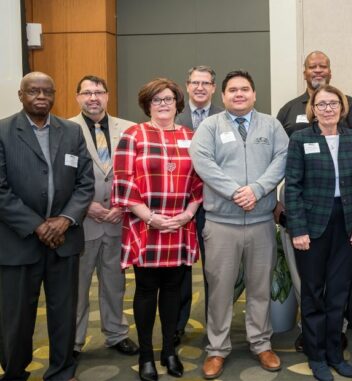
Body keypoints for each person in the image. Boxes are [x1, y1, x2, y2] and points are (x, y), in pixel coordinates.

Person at [189, 70, 288, 379]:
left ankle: (261, 343)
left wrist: (256, 190)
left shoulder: (271, 125)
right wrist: (235, 192)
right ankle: (217, 349)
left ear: (255, 94)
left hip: (260, 223)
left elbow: (282, 159)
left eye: (245, 89)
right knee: (219, 289)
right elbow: (202, 162)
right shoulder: (209, 126)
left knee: (260, 288)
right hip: (221, 223)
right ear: (224, 96)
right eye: (233, 90)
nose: (239, 94)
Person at [0, 72, 94, 381]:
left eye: (47, 91)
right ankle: (14, 371)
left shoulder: (72, 132)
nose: (41, 96)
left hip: (64, 240)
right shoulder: (2, 132)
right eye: (33, 91)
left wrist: (65, 220)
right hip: (18, 241)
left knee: (63, 312)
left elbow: (85, 184)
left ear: (54, 95)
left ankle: (62, 371)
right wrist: (38, 226)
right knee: (16, 316)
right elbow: (0, 190)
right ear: (21, 95)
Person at [275, 50, 352, 352]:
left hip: (344, 218)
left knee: (339, 287)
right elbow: (290, 177)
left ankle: (334, 342)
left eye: (332, 103)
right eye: (321, 104)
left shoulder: (351, 130)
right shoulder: (295, 124)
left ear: (342, 108)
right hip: (309, 216)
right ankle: (314, 344)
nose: (327, 108)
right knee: (311, 287)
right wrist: (293, 222)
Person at [112, 78, 203, 381]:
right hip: (145, 227)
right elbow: (123, 183)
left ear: (178, 103)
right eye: (156, 100)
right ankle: (146, 354)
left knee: (174, 291)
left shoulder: (192, 136)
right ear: (147, 104)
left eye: (168, 99)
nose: (163, 104)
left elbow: (199, 182)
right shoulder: (133, 135)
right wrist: (150, 217)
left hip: (180, 226)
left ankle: (169, 350)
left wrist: (189, 213)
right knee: (147, 291)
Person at [69, 75, 138, 358]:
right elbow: (60, 178)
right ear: (78, 97)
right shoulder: (65, 129)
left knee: (115, 283)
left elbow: (137, 172)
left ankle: (116, 333)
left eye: (98, 92)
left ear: (108, 95)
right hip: (80, 222)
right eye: (87, 92)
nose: (93, 98)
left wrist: (124, 205)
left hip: (117, 220)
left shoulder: (130, 129)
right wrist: (86, 206)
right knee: (77, 286)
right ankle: (72, 341)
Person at [174, 65, 224, 346]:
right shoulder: (173, 117)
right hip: (179, 207)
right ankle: (178, 325)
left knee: (214, 270)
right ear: (187, 86)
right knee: (180, 270)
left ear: (214, 88)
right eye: (195, 82)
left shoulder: (225, 117)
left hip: (213, 204)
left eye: (206, 83)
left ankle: (215, 329)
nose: (201, 87)